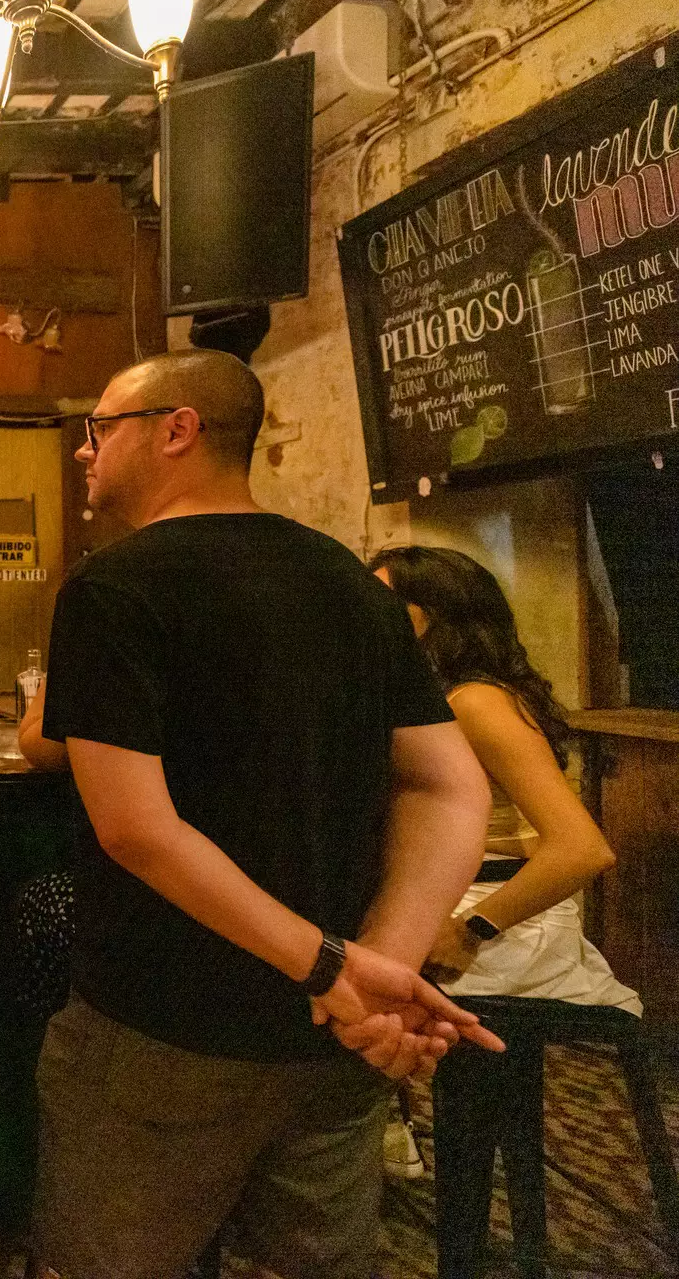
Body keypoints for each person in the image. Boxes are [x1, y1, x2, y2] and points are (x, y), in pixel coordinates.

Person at [33, 348, 504, 1279]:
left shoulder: (115, 585)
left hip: (163, 1028)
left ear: (177, 430)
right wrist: (380, 967)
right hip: (331, 1037)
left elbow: (136, 828)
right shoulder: (347, 580)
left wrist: (337, 964)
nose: (85, 452)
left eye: (100, 429)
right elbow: (451, 785)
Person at [370, 544, 638, 1275]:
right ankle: (380, 1139)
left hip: (506, 921)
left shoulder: (475, 701)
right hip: (479, 904)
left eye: (380, 603)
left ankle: (369, 1148)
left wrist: (469, 929)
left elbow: (582, 850)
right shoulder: (445, 696)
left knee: (337, 973)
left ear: (429, 619)